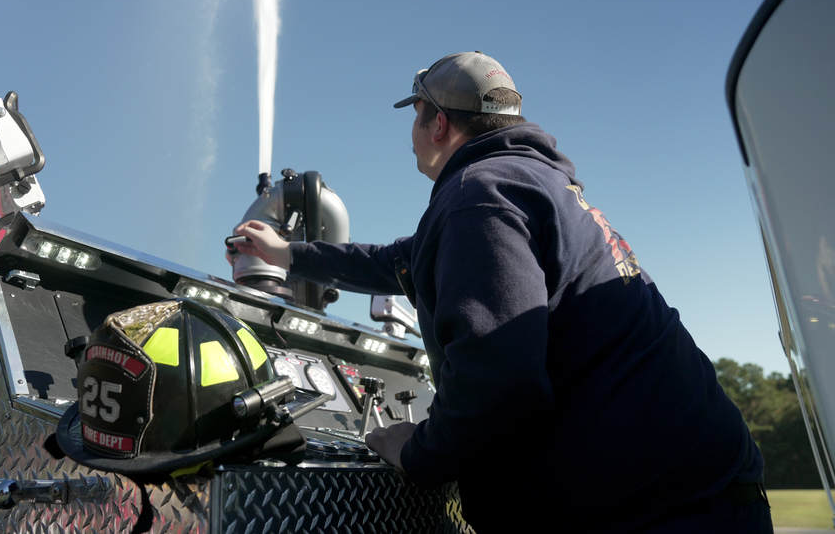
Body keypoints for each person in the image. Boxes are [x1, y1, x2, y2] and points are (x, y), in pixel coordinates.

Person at [232, 51, 772, 533]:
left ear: (437, 122)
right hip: (696, 490)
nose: (412, 136)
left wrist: (418, 451)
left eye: (415, 118)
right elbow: (401, 261)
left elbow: (501, 385)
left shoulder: (478, 196)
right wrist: (288, 254)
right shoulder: (523, 184)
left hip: (663, 513)